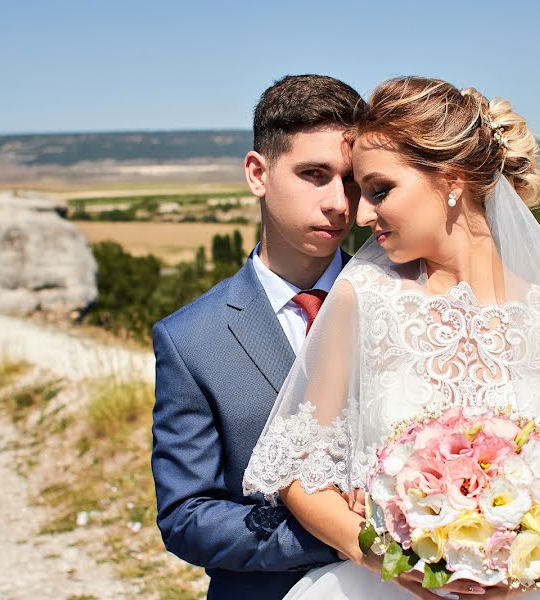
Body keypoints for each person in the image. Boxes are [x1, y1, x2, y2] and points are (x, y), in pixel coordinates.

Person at [243, 76, 540, 599]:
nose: (362, 214)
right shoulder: (363, 298)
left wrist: (525, 572)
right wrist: (384, 556)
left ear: (451, 179)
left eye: (379, 190)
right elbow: (300, 473)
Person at [151, 74, 364, 599]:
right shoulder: (190, 339)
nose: (340, 202)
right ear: (257, 173)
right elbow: (186, 514)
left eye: (352, 179)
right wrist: (340, 535)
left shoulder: (407, 303)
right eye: (314, 174)